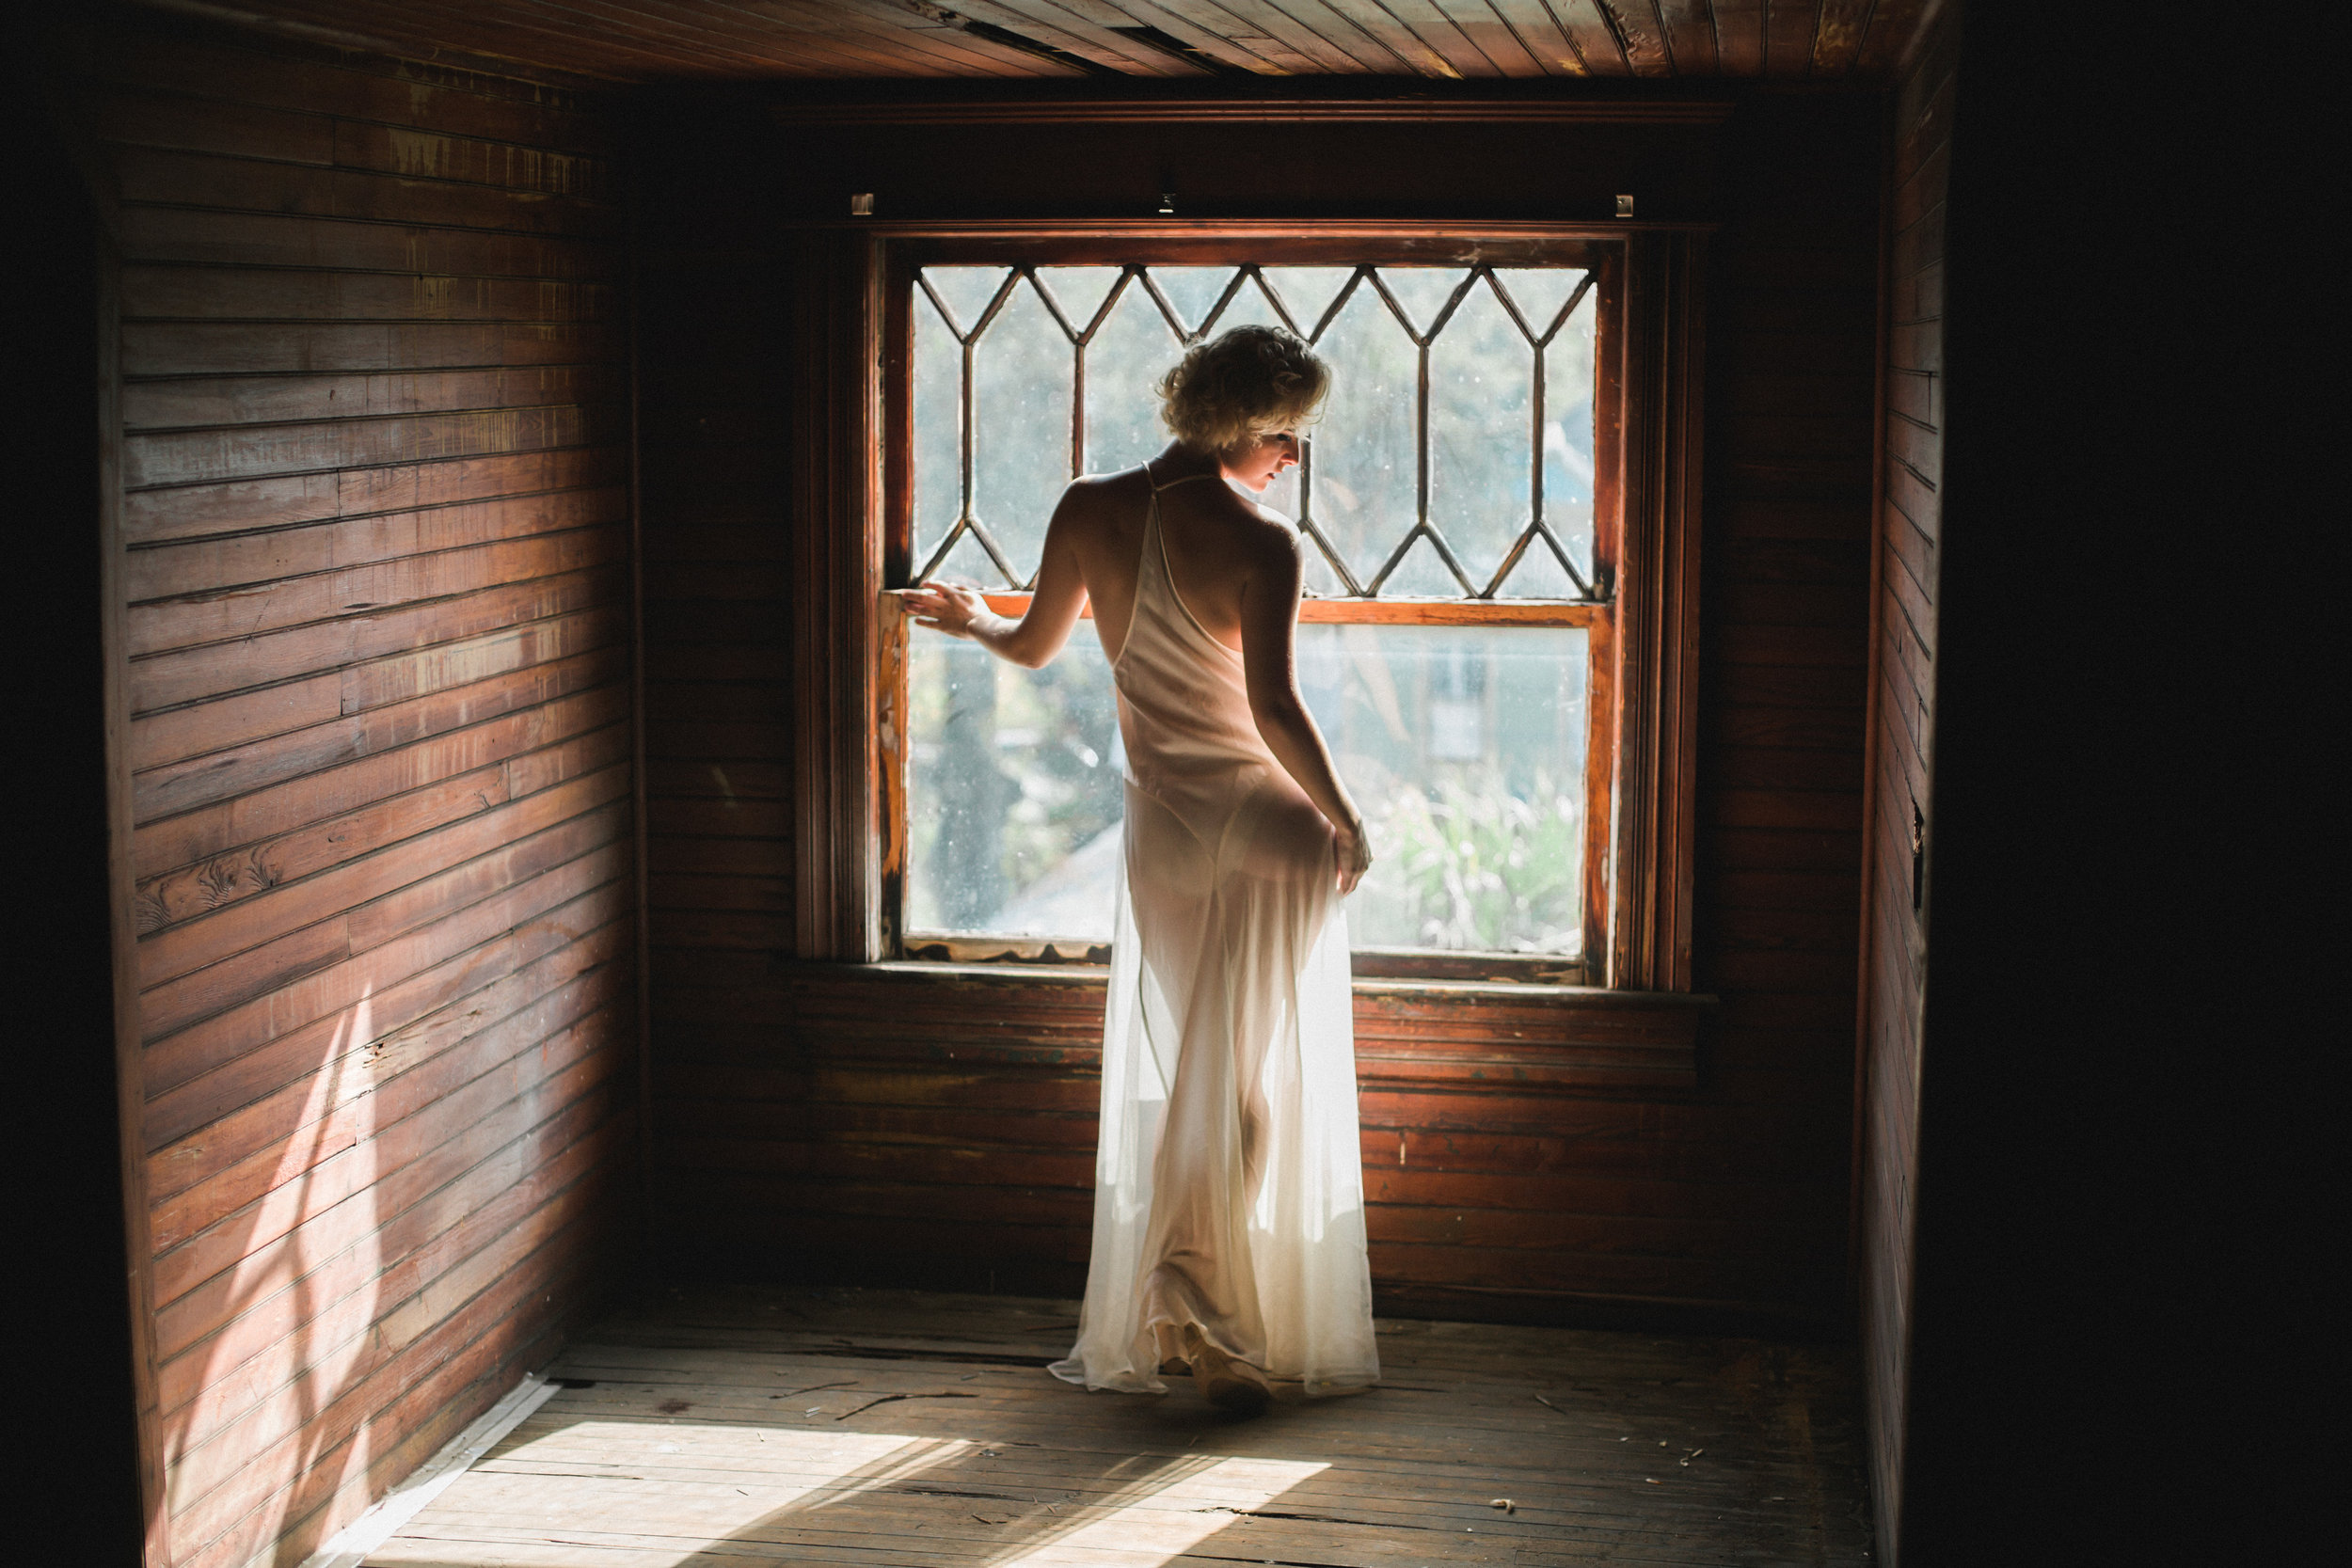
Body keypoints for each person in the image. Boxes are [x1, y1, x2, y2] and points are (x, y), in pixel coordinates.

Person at [898, 325, 1380, 1415]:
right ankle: (1204, 1320)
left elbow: (1031, 648)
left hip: (1162, 827)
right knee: (1239, 1077)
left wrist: (972, 619)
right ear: (1232, 423)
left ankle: (1189, 1311)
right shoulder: (1261, 542)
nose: (1290, 459)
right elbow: (1271, 709)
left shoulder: (1085, 506)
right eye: (1283, 434)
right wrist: (1345, 815)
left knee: (1194, 1071)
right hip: (1268, 826)